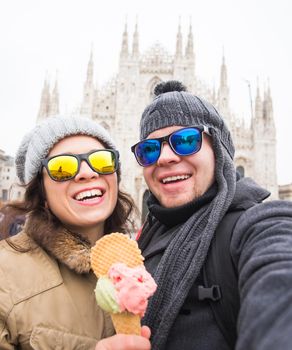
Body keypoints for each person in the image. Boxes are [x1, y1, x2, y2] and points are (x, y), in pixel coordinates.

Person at [131, 80, 292, 350]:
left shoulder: (256, 223)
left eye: (185, 141)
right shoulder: (142, 241)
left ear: (219, 150)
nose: (165, 157)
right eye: (149, 149)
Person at [0, 115, 151, 350]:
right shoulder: (5, 274)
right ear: (42, 193)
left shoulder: (144, 258)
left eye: (101, 161)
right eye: (63, 167)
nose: (87, 173)